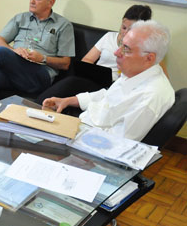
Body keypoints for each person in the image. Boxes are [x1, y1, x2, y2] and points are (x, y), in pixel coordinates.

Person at [42, 20, 174, 141]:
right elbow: (107, 96)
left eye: (126, 49)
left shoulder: (150, 97)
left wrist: (66, 129)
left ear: (149, 58)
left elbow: (115, 142)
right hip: (82, 125)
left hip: (86, 138)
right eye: (121, 45)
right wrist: (67, 101)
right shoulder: (137, 72)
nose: (116, 53)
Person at [37, 4, 152, 103]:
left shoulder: (142, 50)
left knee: (72, 82)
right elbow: (87, 60)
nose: (125, 33)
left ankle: (40, 104)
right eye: (123, 27)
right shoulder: (109, 37)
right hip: (96, 80)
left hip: (114, 86)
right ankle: (39, 104)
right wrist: (92, 72)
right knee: (71, 80)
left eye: (130, 30)